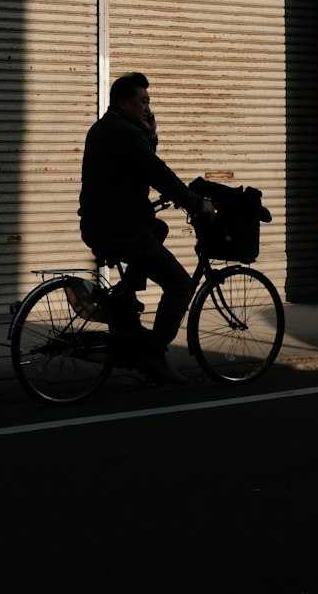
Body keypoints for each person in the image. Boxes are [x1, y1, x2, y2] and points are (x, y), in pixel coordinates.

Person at [78, 72, 215, 384]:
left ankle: (125, 298)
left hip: (102, 226)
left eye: (149, 102)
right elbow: (157, 173)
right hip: (119, 229)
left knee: (158, 228)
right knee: (180, 285)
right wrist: (196, 203)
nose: (148, 107)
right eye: (143, 101)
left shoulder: (108, 128)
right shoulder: (123, 133)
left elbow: (139, 162)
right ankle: (152, 357)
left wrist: (150, 134)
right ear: (124, 102)